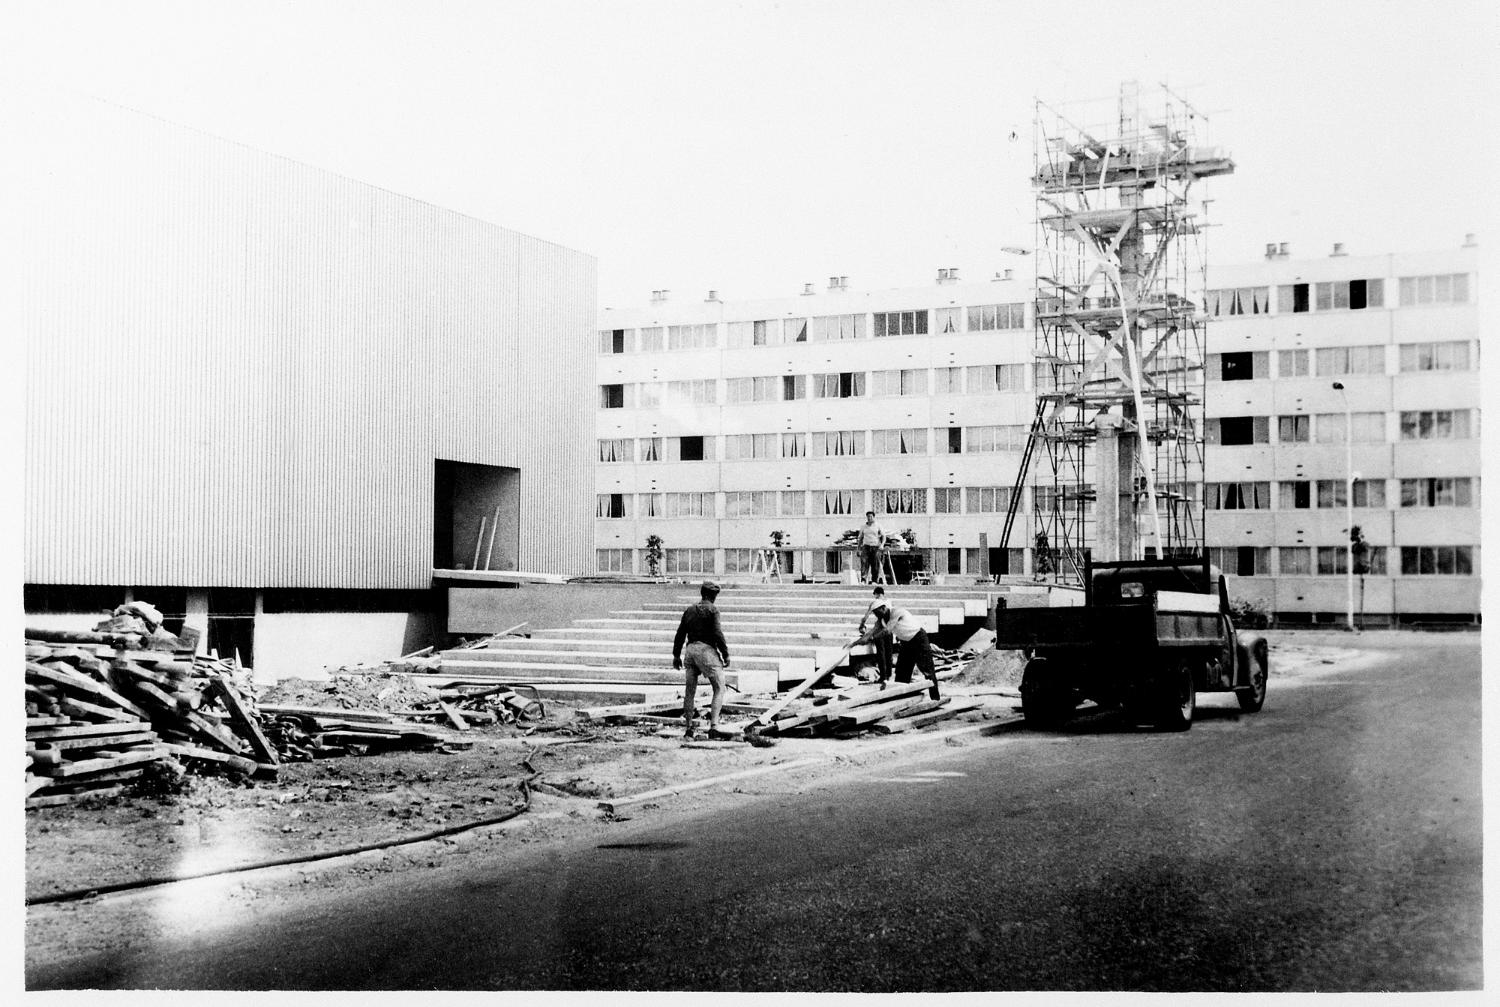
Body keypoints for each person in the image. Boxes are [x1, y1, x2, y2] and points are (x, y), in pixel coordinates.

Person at [672, 580, 731, 738]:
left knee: (689, 691)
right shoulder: (713, 610)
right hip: (706, 651)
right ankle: (714, 726)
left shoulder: (690, 610)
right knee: (719, 687)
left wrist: (676, 655)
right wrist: (725, 654)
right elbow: (718, 634)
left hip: (690, 650)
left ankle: (689, 728)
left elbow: (680, 634)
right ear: (713, 596)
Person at [859, 602, 940, 700]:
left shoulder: (896, 611)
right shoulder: (881, 620)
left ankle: (935, 699)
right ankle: (903, 701)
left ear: (883, 608)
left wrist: (872, 638)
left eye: (877, 612)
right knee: (902, 674)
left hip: (919, 638)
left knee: (928, 671)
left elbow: (887, 630)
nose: (876, 615)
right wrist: (855, 643)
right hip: (906, 643)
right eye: (874, 613)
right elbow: (870, 633)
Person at [855, 585, 893, 683]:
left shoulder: (875, 603)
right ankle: (889, 674)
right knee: (889, 653)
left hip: (880, 630)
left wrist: (862, 626)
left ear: (878, 594)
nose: (875, 597)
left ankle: (883, 677)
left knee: (881, 653)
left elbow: (865, 617)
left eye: (875, 595)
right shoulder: (889, 602)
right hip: (889, 629)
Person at [858, 511, 886, 584]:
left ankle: (874, 580)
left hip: (875, 546)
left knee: (875, 563)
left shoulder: (878, 526)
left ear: (873, 517)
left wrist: (882, 545)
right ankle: (863, 580)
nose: (869, 518)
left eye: (871, 516)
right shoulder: (863, 526)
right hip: (866, 546)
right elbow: (860, 538)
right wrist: (858, 548)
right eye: (868, 517)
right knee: (864, 562)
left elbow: (884, 536)